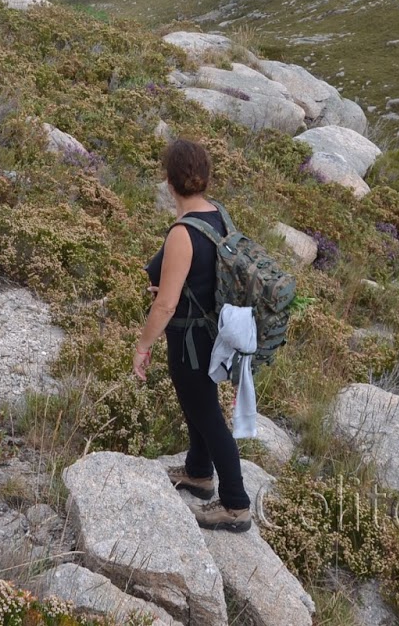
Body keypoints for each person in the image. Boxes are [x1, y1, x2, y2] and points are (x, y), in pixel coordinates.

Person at [132, 137, 252, 532]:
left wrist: (143, 346)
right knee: (197, 405)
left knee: (207, 416)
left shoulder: (182, 234)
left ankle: (235, 505)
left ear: (169, 182)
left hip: (190, 342)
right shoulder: (218, 214)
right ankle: (198, 472)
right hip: (213, 336)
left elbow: (165, 305)